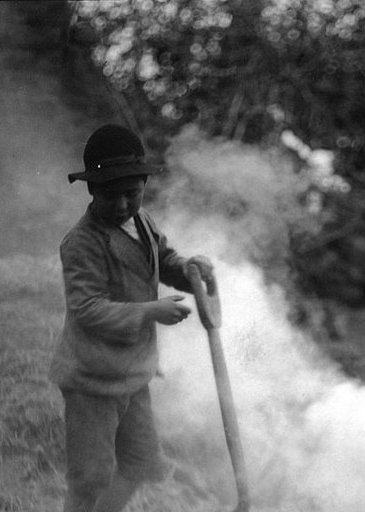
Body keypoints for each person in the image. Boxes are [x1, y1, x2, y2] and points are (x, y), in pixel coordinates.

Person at [50, 124, 214, 512]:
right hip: (91, 380)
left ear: (143, 185)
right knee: (90, 478)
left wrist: (190, 269)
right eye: (111, 195)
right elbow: (87, 309)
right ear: (92, 191)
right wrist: (150, 312)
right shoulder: (82, 243)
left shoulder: (143, 222)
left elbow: (163, 261)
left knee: (141, 464)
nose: (123, 204)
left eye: (132, 193)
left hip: (132, 373)